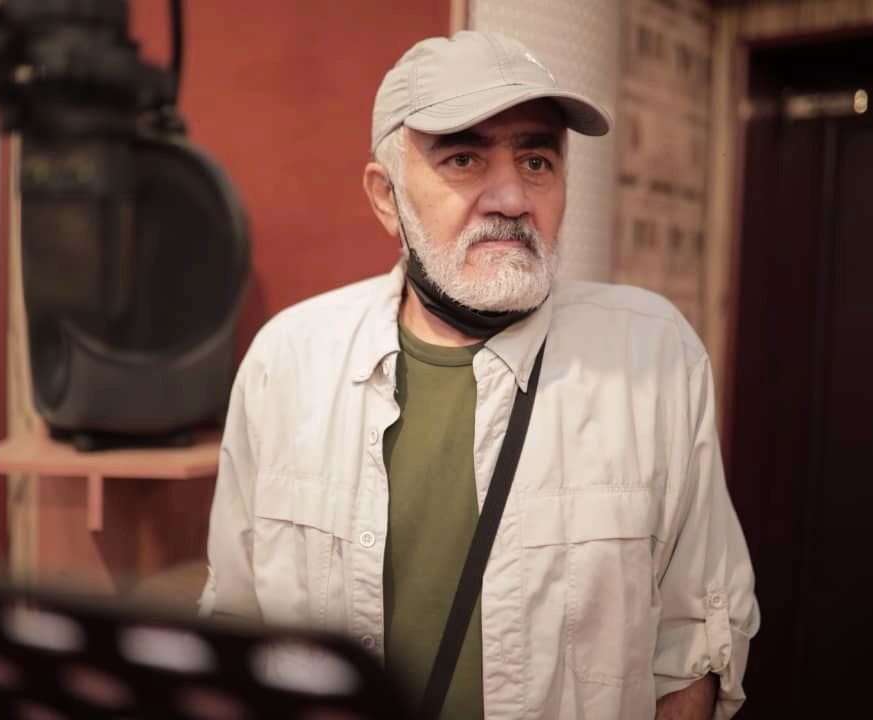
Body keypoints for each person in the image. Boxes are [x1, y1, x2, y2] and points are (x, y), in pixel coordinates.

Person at [200, 30, 760, 720]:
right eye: (463, 158)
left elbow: (695, 638)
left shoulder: (653, 359)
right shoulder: (287, 364)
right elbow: (237, 624)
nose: (512, 197)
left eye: (536, 160)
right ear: (386, 196)